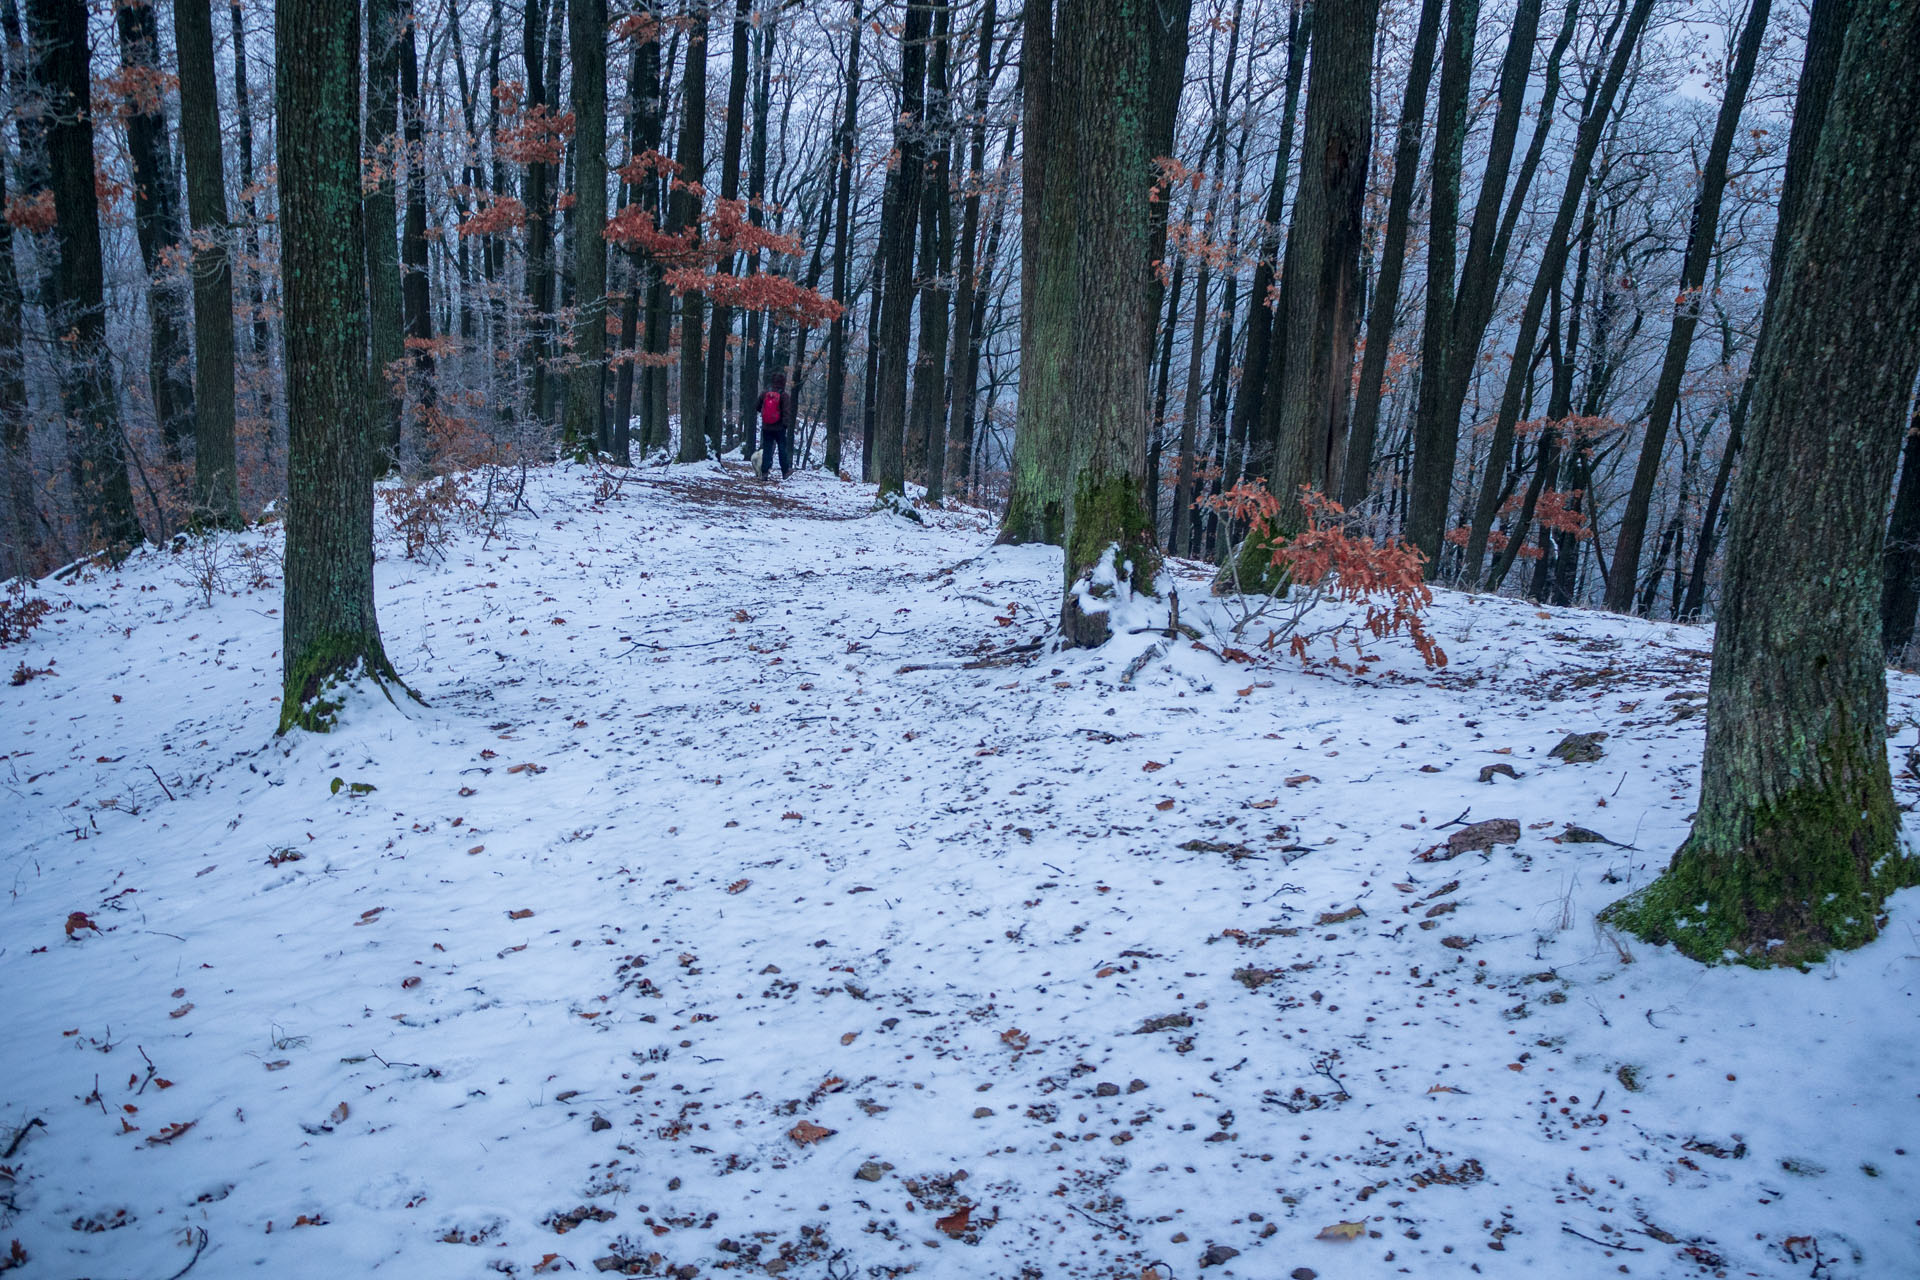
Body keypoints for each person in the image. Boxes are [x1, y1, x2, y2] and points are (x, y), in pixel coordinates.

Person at [754, 371, 795, 480]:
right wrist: (785, 424)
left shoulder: (765, 393)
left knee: (767, 449)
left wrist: (765, 414)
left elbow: (757, 407)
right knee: (782, 449)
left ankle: (764, 473)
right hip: (779, 427)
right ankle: (785, 472)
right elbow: (787, 412)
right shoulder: (784, 395)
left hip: (766, 426)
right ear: (783, 382)